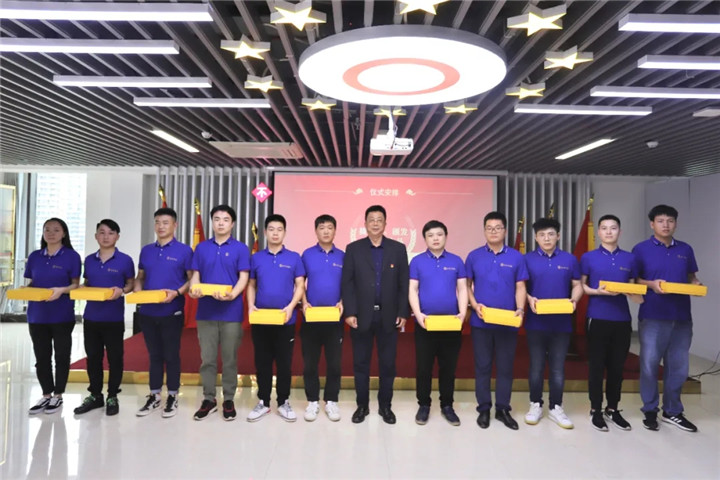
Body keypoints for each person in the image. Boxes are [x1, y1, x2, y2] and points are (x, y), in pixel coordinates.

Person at [633, 205, 703, 432]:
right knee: (649, 365)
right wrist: (651, 284)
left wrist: (696, 285)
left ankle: (673, 411)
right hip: (653, 315)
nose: (665, 225)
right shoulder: (641, 249)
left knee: (678, 367)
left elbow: (691, 276)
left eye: (670, 221)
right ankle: (650, 410)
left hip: (681, 317)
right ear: (652, 224)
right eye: (661, 221)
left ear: (676, 224)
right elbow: (634, 280)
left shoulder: (685, 249)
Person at [341, 205, 409, 425]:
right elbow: (347, 283)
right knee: (361, 363)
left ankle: (385, 406)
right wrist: (350, 312)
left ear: (385, 223)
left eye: (380, 220)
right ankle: (362, 405)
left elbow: (404, 283)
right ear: (365, 224)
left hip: (389, 316)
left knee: (387, 364)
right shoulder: (353, 249)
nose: (376, 223)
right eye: (372, 220)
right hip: (361, 316)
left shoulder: (398, 249)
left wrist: (403, 312)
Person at [580, 214, 643, 432]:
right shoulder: (588, 257)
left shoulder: (630, 259)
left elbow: (634, 290)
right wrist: (597, 291)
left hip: (622, 320)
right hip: (597, 318)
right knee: (596, 367)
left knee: (617, 367)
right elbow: (582, 286)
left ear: (620, 232)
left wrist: (634, 292)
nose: (608, 232)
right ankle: (595, 409)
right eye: (604, 228)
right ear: (598, 232)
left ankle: (613, 408)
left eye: (613, 228)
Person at [466, 211, 528, 430]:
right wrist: (474, 305)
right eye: (489, 228)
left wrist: (520, 308)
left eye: (498, 228)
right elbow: (466, 286)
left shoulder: (516, 257)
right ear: (484, 231)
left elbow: (520, 286)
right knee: (482, 366)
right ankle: (484, 408)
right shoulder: (474, 256)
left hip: (507, 322)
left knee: (505, 367)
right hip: (481, 322)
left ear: (505, 230)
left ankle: (502, 409)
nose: (493, 231)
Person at [188, 205, 250, 421]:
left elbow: (243, 277)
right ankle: (209, 398)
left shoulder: (241, 248)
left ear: (232, 224)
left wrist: (233, 295)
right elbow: (195, 275)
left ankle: (229, 398)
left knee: (230, 358)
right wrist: (194, 289)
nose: (221, 223)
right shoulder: (202, 247)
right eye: (216, 219)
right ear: (212, 222)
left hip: (231, 312)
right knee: (207, 359)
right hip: (206, 312)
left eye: (225, 219)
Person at [523, 218, 583, 429]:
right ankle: (535, 404)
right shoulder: (527, 259)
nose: (546, 238)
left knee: (557, 367)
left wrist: (574, 300)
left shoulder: (569, 259)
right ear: (535, 237)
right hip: (536, 322)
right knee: (536, 366)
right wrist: (528, 298)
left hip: (561, 323)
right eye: (541, 235)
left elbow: (577, 285)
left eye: (550, 234)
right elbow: (520, 287)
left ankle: (556, 406)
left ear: (558, 236)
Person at [134, 208, 193, 418]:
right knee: (154, 354)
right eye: (158, 222)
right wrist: (138, 289)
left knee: (171, 354)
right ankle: (155, 395)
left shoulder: (184, 251)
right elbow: (140, 277)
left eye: (165, 222)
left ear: (175, 225)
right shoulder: (146, 251)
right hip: (148, 312)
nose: (161, 226)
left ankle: (173, 395)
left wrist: (177, 292)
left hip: (172, 311)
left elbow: (191, 280)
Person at [246, 214, 305, 422]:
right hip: (261, 319)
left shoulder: (294, 257)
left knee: (284, 363)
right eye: (271, 229)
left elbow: (300, 285)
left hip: (285, 319)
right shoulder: (256, 258)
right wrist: (250, 305)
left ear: (285, 232)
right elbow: (251, 284)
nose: (275, 233)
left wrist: (291, 307)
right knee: (262, 362)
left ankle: (283, 401)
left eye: (279, 229)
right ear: (265, 232)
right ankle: (263, 401)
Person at [408, 220, 467, 426]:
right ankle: (424, 405)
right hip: (426, 323)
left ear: (446, 237)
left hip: (451, 324)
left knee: (448, 368)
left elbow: (462, 289)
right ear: (425, 239)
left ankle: (447, 406)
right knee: (424, 368)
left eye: (439, 234)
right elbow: (412, 289)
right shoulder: (417, 261)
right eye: (431, 235)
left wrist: (462, 313)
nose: (435, 238)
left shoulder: (456, 261)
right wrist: (418, 314)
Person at [73, 219, 135, 416]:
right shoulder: (89, 260)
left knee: (115, 358)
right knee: (93, 357)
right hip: (91, 317)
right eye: (102, 232)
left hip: (113, 318)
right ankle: (95, 395)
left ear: (117, 236)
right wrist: (81, 289)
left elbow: (131, 284)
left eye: (110, 233)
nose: (106, 236)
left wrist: (122, 290)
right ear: (96, 236)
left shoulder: (125, 260)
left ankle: (112, 396)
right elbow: (87, 283)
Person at [25, 218, 82, 415]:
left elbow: (76, 284)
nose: (51, 233)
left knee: (61, 355)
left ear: (64, 233)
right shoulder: (35, 256)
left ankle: (58, 395)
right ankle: (46, 394)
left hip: (61, 314)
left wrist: (61, 290)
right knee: (41, 357)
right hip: (37, 315)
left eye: (56, 230)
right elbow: (32, 282)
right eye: (47, 229)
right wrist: (25, 290)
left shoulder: (71, 256)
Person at [300, 214, 344, 422]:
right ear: (316, 231)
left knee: (334, 363)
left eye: (330, 227)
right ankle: (312, 401)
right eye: (322, 227)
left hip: (335, 319)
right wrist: (303, 302)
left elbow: (349, 284)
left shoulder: (343, 256)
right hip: (311, 318)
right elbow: (299, 282)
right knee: (310, 363)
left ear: (335, 230)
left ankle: (331, 400)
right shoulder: (307, 255)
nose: (326, 231)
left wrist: (343, 302)